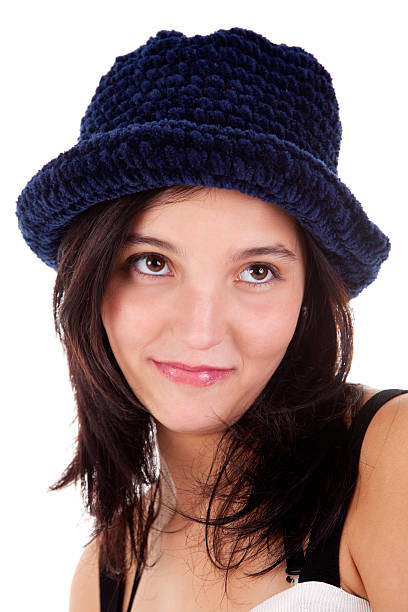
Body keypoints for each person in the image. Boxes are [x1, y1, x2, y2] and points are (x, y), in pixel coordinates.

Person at [15, 27, 408, 612]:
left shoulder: (389, 455)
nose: (201, 332)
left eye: (256, 272)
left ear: (308, 293)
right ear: (90, 278)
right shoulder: (103, 574)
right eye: (153, 262)